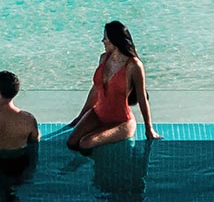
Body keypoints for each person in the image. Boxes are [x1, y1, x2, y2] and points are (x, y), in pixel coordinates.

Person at [67, 20, 160, 152]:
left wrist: (149, 129)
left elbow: (142, 98)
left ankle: (93, 165)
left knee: (85, 143)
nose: (103, 41)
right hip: (98, 114)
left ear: (115, 41)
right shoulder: (103, 58)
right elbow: (96, 90)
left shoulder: (134, 66)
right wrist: (81, 116)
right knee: (71, 142)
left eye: (106, 38)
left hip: (122, 121)